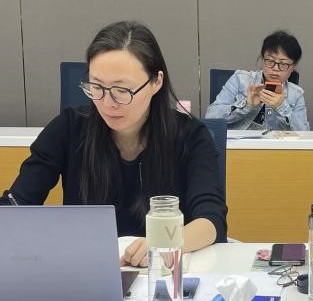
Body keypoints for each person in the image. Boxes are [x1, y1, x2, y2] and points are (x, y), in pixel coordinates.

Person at [0, 21, 228, 267]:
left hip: (165, 272)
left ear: (156, 82)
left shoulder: (190, 135)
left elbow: (211, 221)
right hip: (86, 272)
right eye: (96, 87)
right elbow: (17, 206)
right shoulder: (68, 129)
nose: (108, 103)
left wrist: (164, 241)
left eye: (122, 90)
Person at [206, 30, 309, 131]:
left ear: (293, 67)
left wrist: (282, 107)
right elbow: (210, 117)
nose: (275, 68)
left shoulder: (296, 94)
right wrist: (247, 105)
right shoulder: (240, 79)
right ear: (262, 60)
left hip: (274, 143)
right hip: (236, 142)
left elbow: (304, 133)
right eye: (270, 61)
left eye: (283, 64)